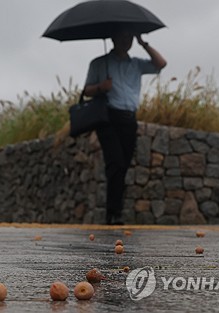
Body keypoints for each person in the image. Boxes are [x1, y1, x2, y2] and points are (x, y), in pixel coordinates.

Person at [84, 28, 167, 225]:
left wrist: (144, 44)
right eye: (122, 36)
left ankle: (115, 211)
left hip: (129, 119)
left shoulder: (137, 64)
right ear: (113, 37)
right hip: (108, 117)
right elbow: (86, 90)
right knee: (116, 163)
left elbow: (161, 63)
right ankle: (114, 213)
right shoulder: (99, 63)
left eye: (129, 36)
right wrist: (100, 88)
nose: (126, 40)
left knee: (123, 166)